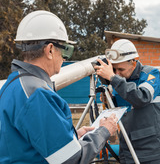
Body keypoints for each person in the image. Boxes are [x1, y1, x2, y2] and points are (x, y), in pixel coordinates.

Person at [0, 10, 118, 164]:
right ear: (49, 50)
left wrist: (72, 136)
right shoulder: (37, 94)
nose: (64, 57)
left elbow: (25, 140)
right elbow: (72, 160)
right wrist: (104, 131)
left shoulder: (12, 85)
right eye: (65, 50)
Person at [94, 39, 160, 164]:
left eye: (121, 70)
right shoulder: (120, 81)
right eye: (114, 70)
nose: (117, 74)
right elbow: (121, 110)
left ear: (133, 63)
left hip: (151, 151)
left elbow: (141, 97)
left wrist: (112, 77)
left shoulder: (150, 74)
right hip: (127, 148)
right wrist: (109, 100)